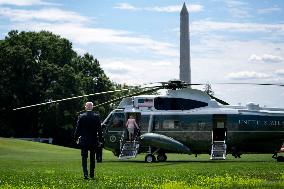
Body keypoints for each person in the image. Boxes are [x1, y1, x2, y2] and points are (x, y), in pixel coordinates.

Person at [74, 102, 102, 179]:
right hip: (93, 140)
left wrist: (75, 138)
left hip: (84, 140)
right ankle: (92, 174)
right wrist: (100, 140)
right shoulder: (97, 117)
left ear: (85, 107)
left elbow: (78, 129)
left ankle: (85, 174)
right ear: (92, 107)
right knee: (92, 157)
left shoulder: (81, 116)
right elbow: (99, 130)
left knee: (84, 157)